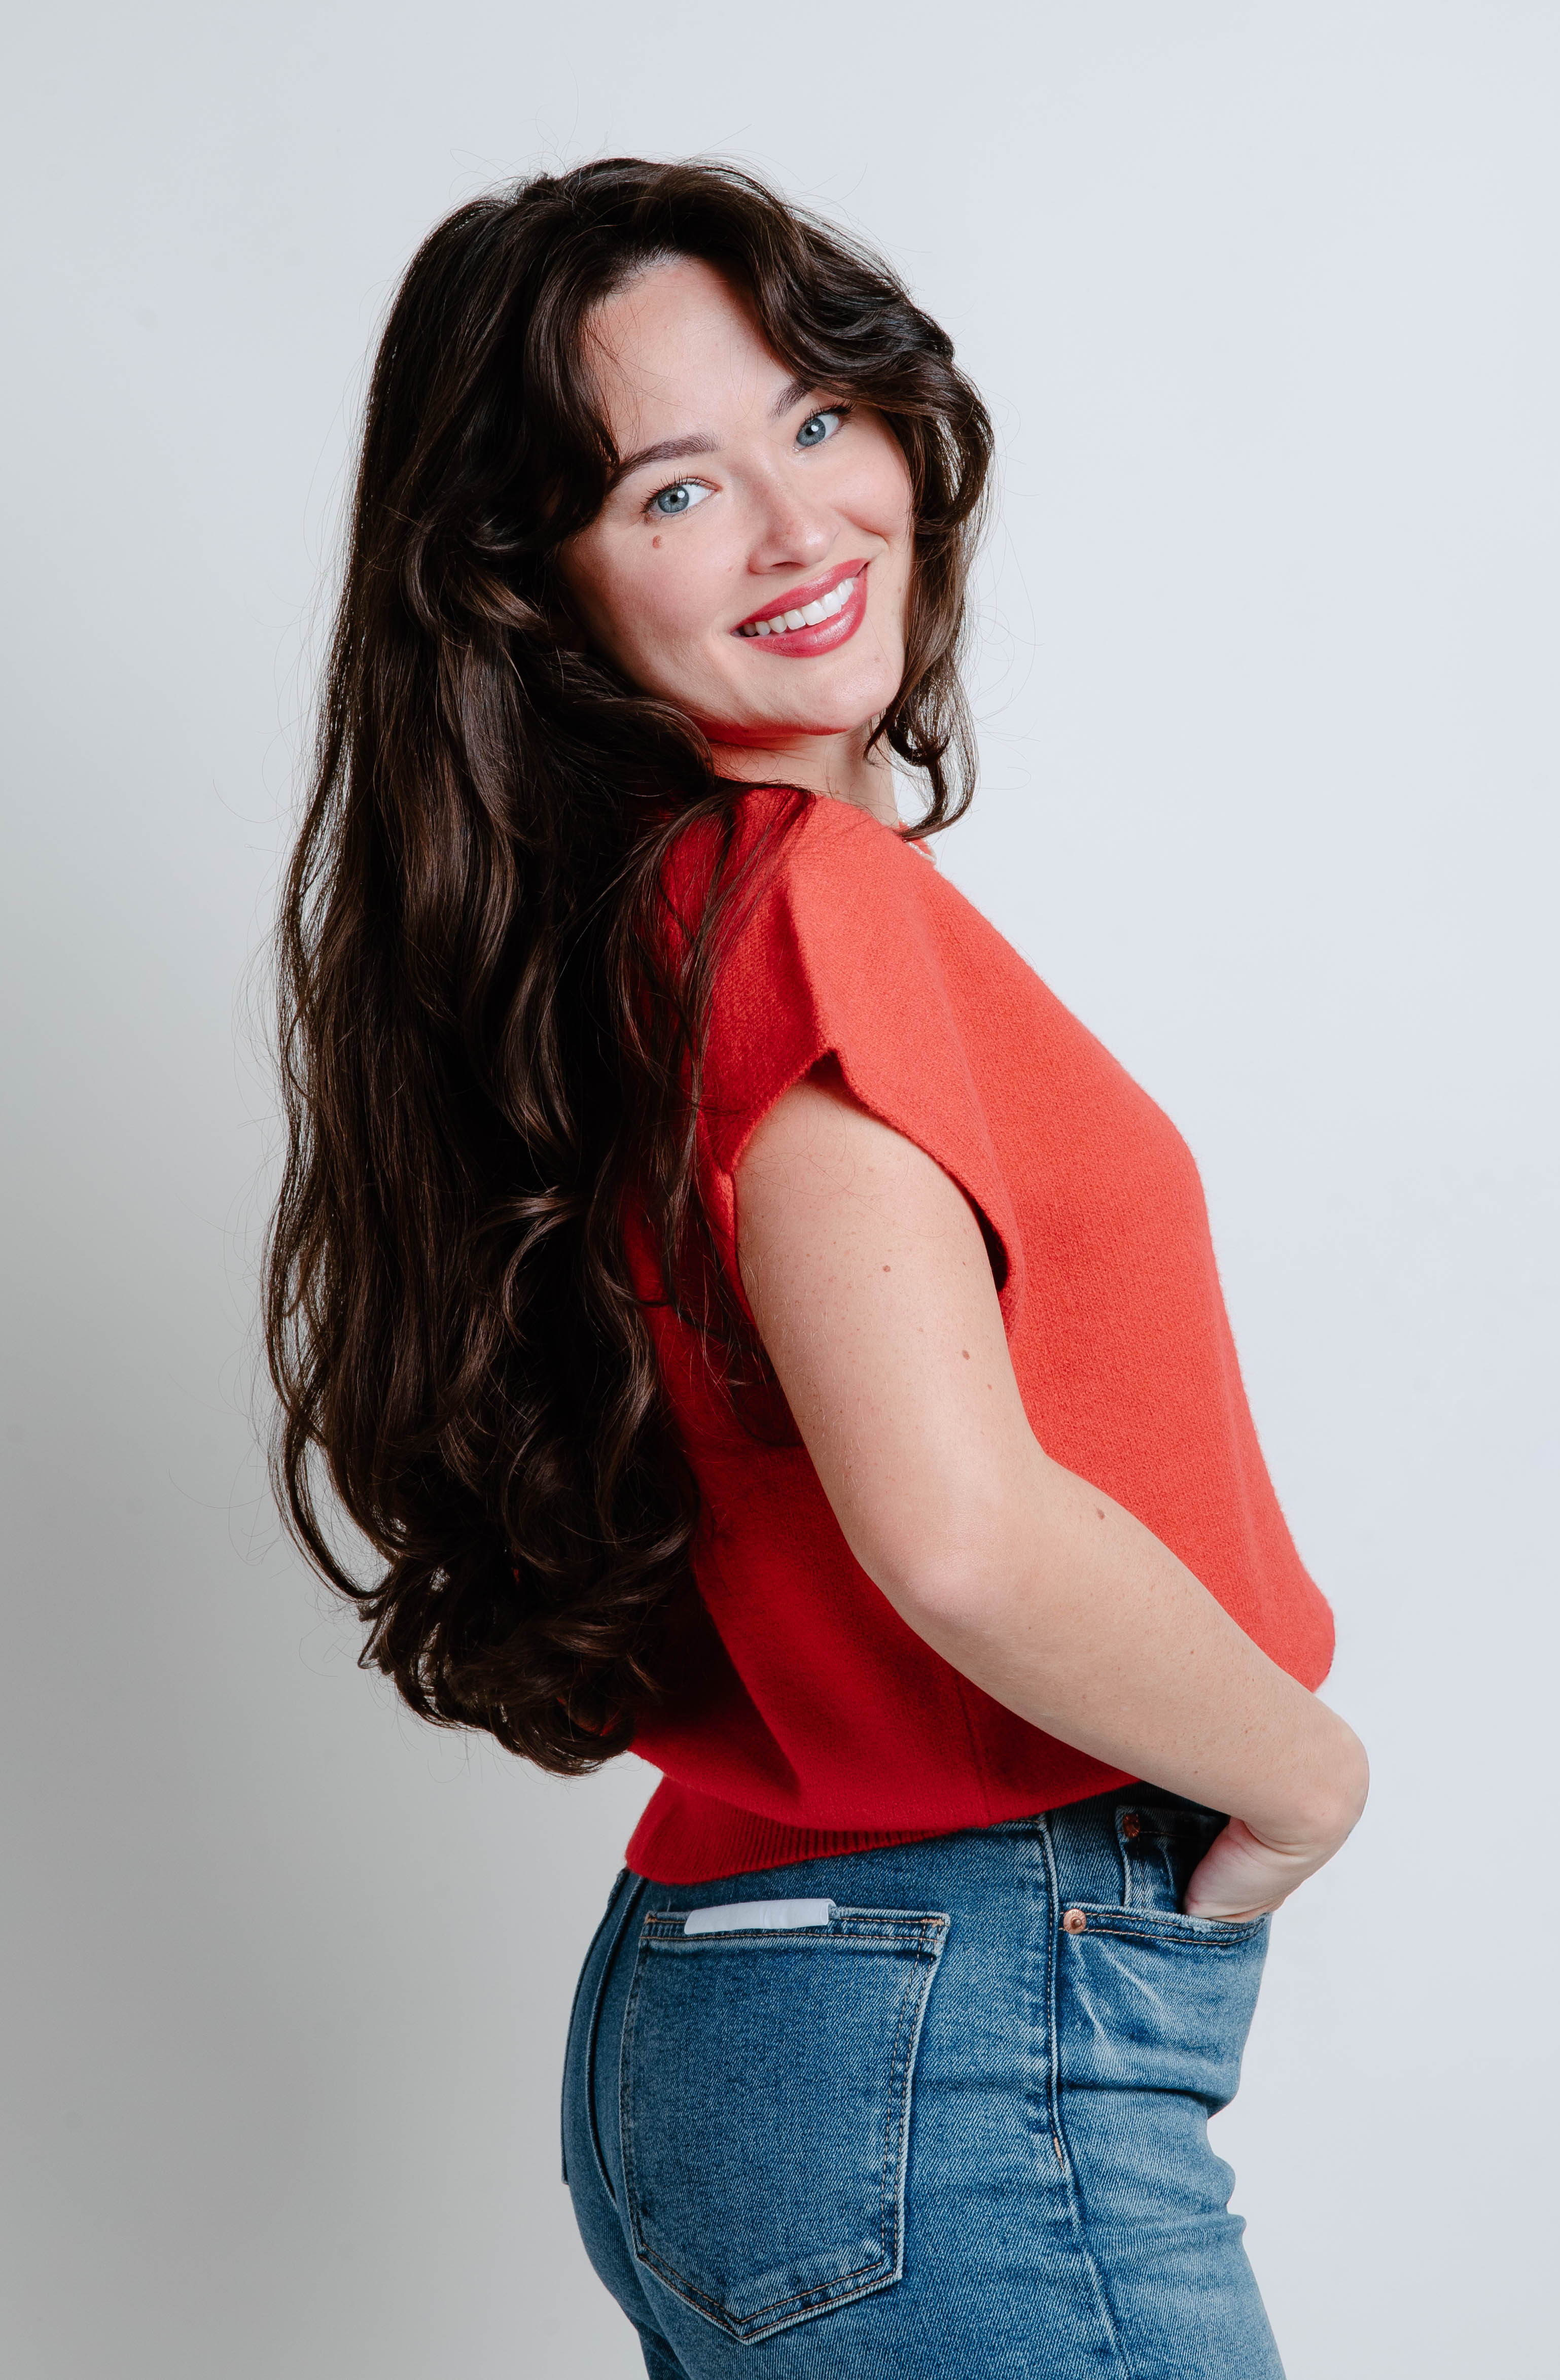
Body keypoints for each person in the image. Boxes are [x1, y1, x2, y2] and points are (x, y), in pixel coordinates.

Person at [266, 156, 1369, 2379]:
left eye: (816, 418)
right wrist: (1305, 1776)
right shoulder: (796, 903)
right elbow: (957, 1535)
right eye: (671, 491)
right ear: (535, 589)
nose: (797, 526)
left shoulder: (625, 940)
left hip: (749, 2004)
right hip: (953, 2012)